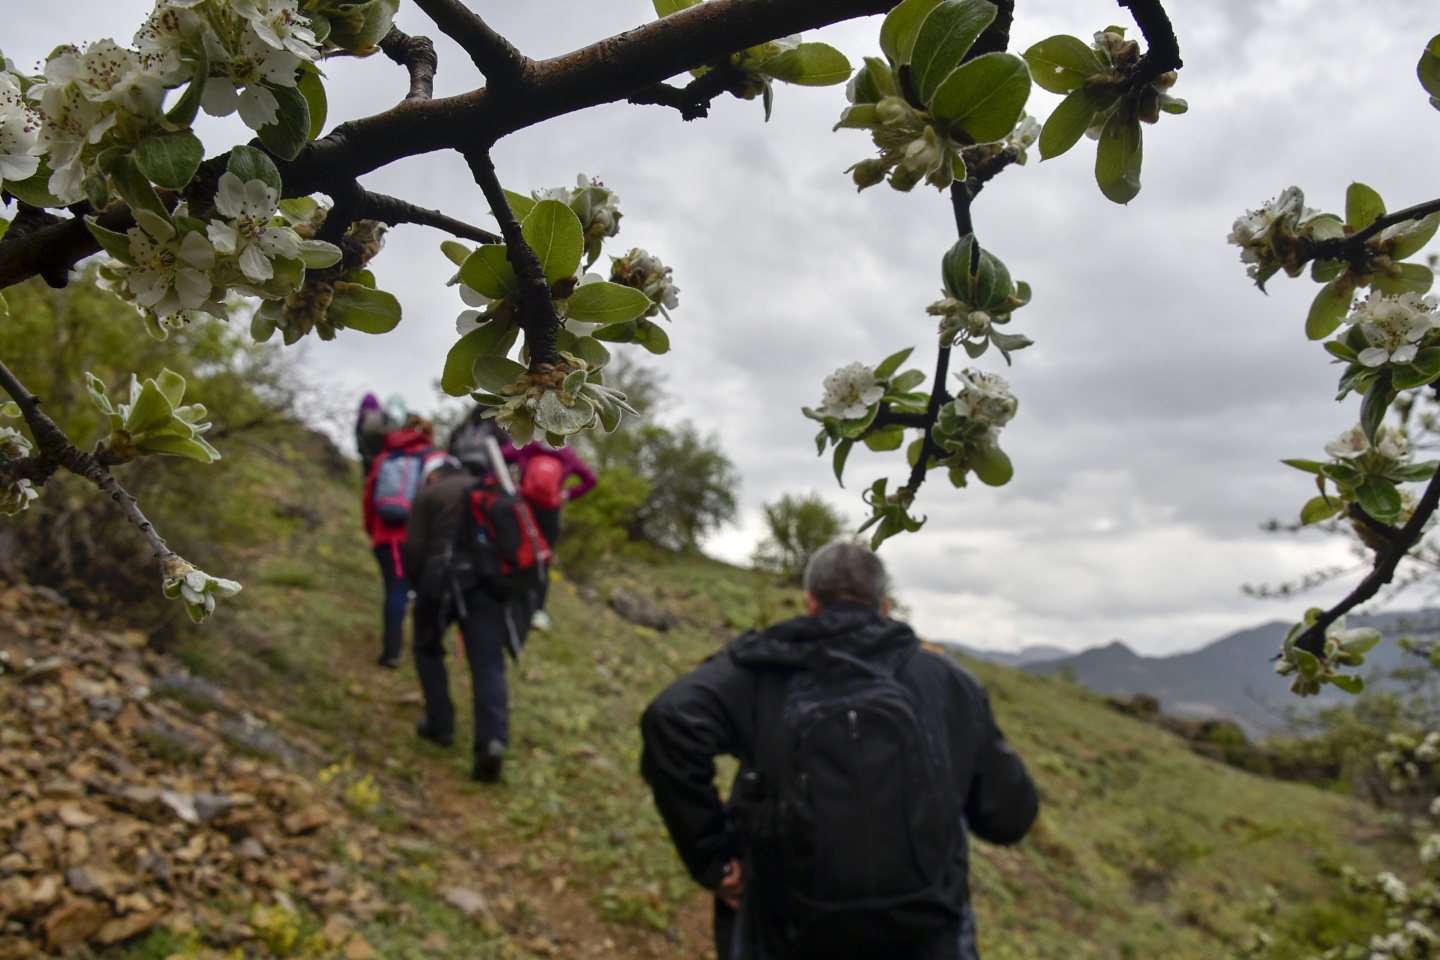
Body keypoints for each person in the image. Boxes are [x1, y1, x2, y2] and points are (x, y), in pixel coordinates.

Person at [640, 542, 1038, 960]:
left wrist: (714, 861)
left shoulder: (761, 668)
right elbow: (1010, 819)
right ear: (883, 607)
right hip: (925, 934)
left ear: (811, 602)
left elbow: (670, 719)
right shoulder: (946, 680)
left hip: (787, 931)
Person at [402, 451, 534, 783]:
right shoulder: (483, 489)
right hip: (487, 584)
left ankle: (440, 725)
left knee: (427, 648)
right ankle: (492, 742)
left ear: (432, 475)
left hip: (441, 577)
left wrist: (419, 587)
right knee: (488, 664)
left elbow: (414, 547)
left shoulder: (430, 494)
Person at [361, 415, 436, 669]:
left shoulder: (384, 456)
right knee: (408, 591)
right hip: (415, 537)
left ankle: (391, 652)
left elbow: (369, 496)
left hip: (385, 536)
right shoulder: (429, 457)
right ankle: (416, 650)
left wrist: (372, 530)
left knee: (394, 591)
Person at [501, 437, 597, 630]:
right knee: (543, 559)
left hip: (524, 507)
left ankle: (507, 597)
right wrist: (567, 494)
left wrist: (512, 485)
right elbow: (591, 479)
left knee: (514, 549)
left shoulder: (528, 445)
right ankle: (538, 611)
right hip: (550, 514)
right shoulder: (567, 454)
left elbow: (500, 456)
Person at [355, 393, 389, 479]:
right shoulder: (382, 412)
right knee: (379, 465)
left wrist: (361, 450)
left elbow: (358, 431)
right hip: (380, 442)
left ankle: (368, 482)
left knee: (368, 467)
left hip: (366, 443)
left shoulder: (362, 413)